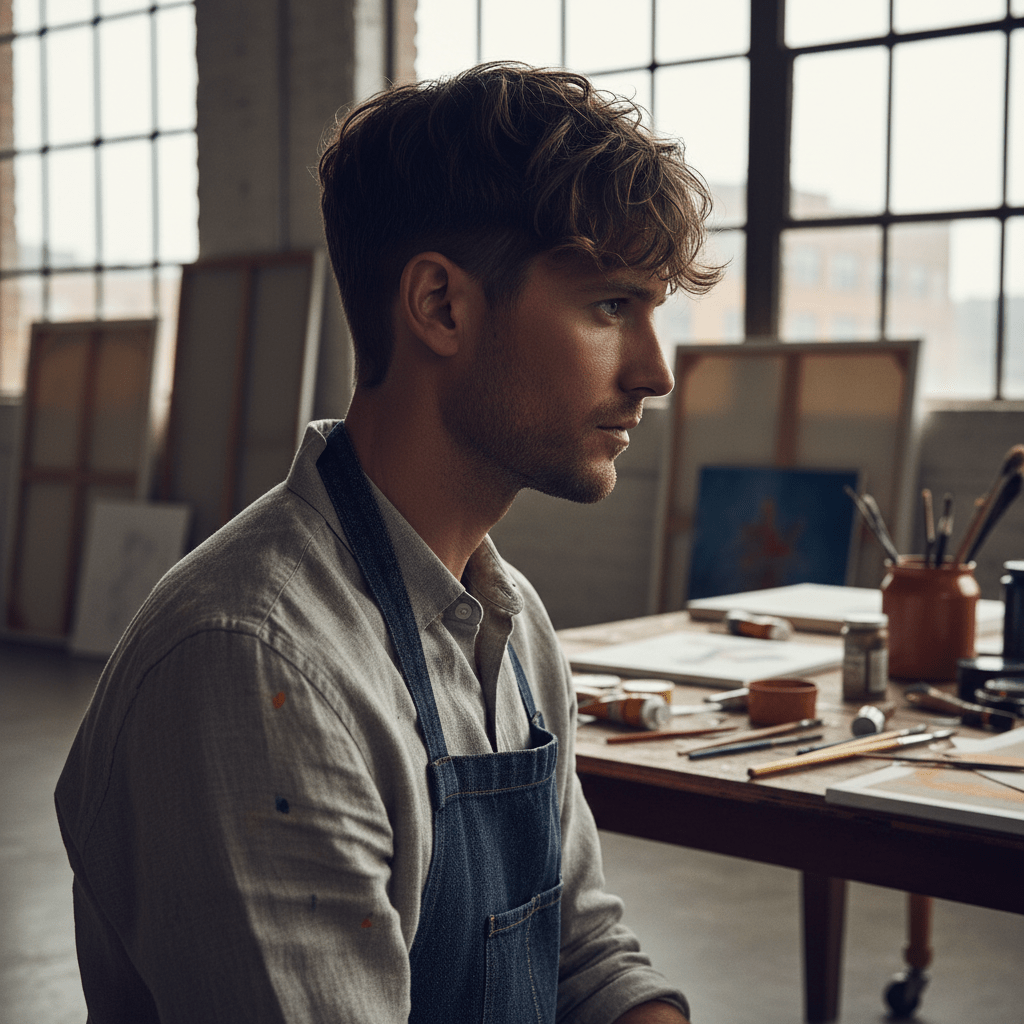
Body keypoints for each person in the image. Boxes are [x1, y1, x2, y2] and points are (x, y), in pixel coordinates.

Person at [55, 62, 721, 1023]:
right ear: (442, 306)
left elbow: (581, 950)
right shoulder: (256, 667)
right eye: (611, 306)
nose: (656, 374)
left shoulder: (511, 623)